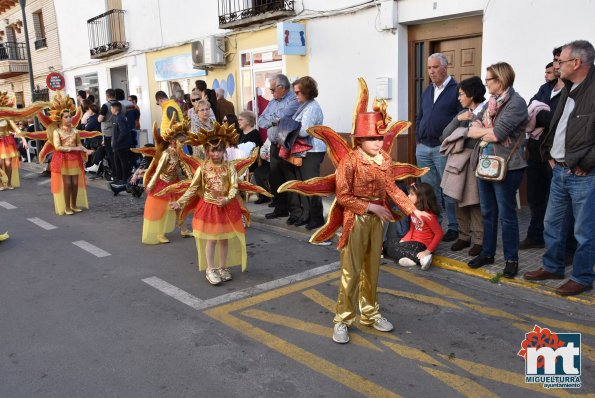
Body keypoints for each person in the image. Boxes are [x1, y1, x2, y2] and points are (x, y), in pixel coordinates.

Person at [332, 107, 431, 344]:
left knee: (372, 268)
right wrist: (371, 208)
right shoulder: (350, 161)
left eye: (380, 138)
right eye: (372, 138)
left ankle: (370, 313)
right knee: (352, 271)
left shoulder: (385, 159)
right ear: (360, 139)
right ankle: (342, 320)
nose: (378, 143)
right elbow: (343, 196)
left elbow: (392, 189)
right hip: (356, 218)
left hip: (377, 221)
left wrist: (414, 211)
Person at [524, 40, 595, 296]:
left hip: (584, 174)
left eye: (560, 61)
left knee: (584, 231)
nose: (556, 66)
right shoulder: (568, 88)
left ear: (576, 63)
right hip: (560, 170)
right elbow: (557, 127)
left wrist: (585, 163)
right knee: (552, 223)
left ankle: (583, 276)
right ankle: (553, 266)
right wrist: (550, 155)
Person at [467, 62, 528, 278]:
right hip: (485, 162)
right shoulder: (489, 103)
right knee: (487, 212)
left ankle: (511, 259)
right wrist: (484, 130)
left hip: (507, 167)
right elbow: (470, 127)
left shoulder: (516, 103)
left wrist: (482, 131)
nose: (486, 85)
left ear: (500, 80)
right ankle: (487, 253)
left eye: (488, 80)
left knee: (507, 215)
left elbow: (498, 135)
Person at [170, 122, 246, 285]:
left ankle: (222, 266)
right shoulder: (203, 169)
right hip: (209, 209)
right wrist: (180, 201)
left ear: (224, 151)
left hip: (225, 208)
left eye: (219, 150)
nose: (217, 154)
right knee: (211, 239)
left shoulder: (229, 168)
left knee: (224, 240)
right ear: (207, 151)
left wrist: (227, 198)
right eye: (213, 150)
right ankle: (210, 269)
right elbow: (193, 188)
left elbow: (234, 186)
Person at [520, 52, 566, 250]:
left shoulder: (572, 91)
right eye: (555, 61)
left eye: (559, 61)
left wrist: (540, 115)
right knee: (535, 197)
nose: (557, 65)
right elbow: (529, 111)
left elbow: (557, 120)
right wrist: (542, 115)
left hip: (555, 155)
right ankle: (535, 236)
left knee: (559, 204)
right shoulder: (545, 88)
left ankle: (560, 246)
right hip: (535, 151)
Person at [415, 53, 462, 242]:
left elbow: (462, 118)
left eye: (435, 67)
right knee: (429, 190)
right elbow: (420, 116)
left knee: (448, 189)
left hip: (443, 149)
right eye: (429, 68)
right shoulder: (427, 90)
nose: (431, 71)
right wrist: (418, 138)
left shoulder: (456, 89)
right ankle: (434, 224)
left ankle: (454, 226)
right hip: (424, 147)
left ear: (445, 67)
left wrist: (450, 141)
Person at [439, 76, 487, 257]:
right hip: (458, 162)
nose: (459, 98)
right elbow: (444, 136)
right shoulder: (463, 113)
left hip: (475, 161)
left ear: (472, 94)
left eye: (461, 94)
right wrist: (458, 119)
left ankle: (479, 240)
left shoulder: (486, 111)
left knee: (474, 202)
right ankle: (464, 236)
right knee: (458, 198)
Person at [142, 119, 194, 244]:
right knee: (162, 210)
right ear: (171, 141)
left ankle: (183, 229)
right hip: (162, 184)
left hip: (174, 183)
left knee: (179, 208)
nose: (182, 144)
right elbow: (159, 170)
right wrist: (151, 184)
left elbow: (184, 166)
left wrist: (191, 179)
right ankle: (159, 233)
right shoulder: (166, 154)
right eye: (180, 142)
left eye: (183, 142)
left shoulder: (178, 153)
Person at [258, 74, 300, 220]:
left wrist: (273, 119)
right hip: (274, 145)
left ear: (282, 88)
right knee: (275, 177)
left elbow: (282, 117)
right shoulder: (273, 102)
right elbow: (261, 120)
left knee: (289, 178)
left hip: (287, 145)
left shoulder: (293, 100)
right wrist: (273, 120)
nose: (271, 93)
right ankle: (280, 208)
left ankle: (295, 212)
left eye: (273, 89)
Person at [290, 76, 326, 230]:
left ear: (306, 91)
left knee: (312, 186)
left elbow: (304, 131)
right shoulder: (305, 105)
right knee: (303, 185)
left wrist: (289, 129)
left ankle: (317, 218)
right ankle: (307, 215)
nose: (296, 95)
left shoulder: (312, 107)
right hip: (305, 151)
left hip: (313, 151)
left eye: (298, 92)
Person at [384, 182, 444, 270]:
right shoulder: (414, 212)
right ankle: (412, 259)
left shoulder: (428, 216)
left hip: (422, 246)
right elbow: (412, 229)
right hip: (412, 242)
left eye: (411, 194)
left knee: (391, 248)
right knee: (387, 244)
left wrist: (427, 251)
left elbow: (439, 234)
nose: (408, 196)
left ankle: (422, 258)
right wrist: (404, 240)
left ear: (421, 198)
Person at [50, 108, 92, 215]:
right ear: (60, 119)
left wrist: (86, 150)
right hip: (63, 160)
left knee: (75, 183)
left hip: (75, 159)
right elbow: (57, 147)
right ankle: (67, 207)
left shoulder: (76, 131)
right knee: (67, 183)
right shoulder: (57, 132)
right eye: (66, 117)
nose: (69, 119)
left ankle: (74, 205)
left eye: (70, 117)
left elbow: (79, 144)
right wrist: (74, 149)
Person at [109, 101, 132, 186]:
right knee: (117, 161)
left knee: (123, 162)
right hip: (116, 145)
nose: (110, 109)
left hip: (121, 145)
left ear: (115, 108)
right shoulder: (115, 117)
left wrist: (117, 141)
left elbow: (123, 132)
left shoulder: (120, 118)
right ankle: (118, 179)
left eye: (111, 108)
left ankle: (125, 179)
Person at [98, 89, 117, 178]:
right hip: (118, 132)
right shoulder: (120, 105)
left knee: (111, 154)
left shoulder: (105, 106)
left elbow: (100, 119)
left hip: (108, 133)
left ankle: (115, 174)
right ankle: (119, 174)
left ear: (107, 96)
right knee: (117, 154)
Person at [0, 118, 23, 190]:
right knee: (0, 164)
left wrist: (23, 138)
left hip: (6, 141)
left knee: (8, 164)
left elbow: (16, 129)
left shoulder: (7, 117)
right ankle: (1, 183)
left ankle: (9, 182)